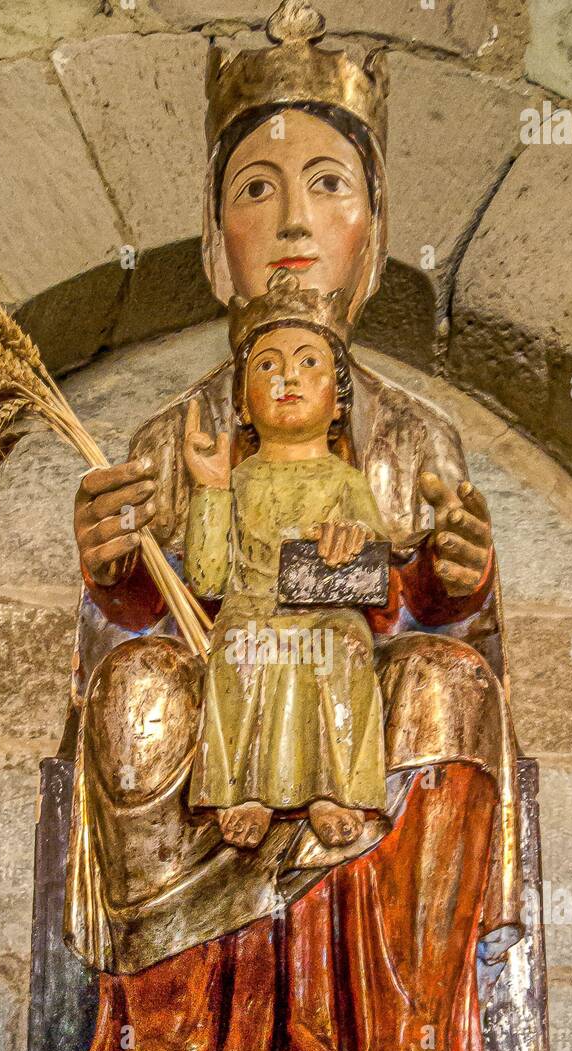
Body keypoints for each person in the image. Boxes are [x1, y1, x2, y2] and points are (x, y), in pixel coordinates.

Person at [64, 1, 521, 1051]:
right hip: (226, 689)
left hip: (343, 687)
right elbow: (145, 607)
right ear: (215, 237)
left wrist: (453, 579)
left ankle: (408, 1038)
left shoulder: (411, 434)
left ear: (373, 227)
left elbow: (432, 604)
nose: (294, 220)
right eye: (256, 188)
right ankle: (163, 1039)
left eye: (329, 183)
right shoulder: (179, 432)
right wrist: (115, 563)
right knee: (135, 694)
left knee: (444, 689)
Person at [185, 272, 390, 849]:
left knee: (342, 643)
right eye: (267, 367)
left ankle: (335, 787)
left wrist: (350, 540)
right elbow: (206, 578)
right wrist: (210, 489)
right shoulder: (239, 478)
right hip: (251, 611)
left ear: (339, 400)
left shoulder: (347, 480)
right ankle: (240, 789)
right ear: (243, 407)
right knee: (240, 644)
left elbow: (377, 567)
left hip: (324, 612)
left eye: (308, 364)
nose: (288, 378)